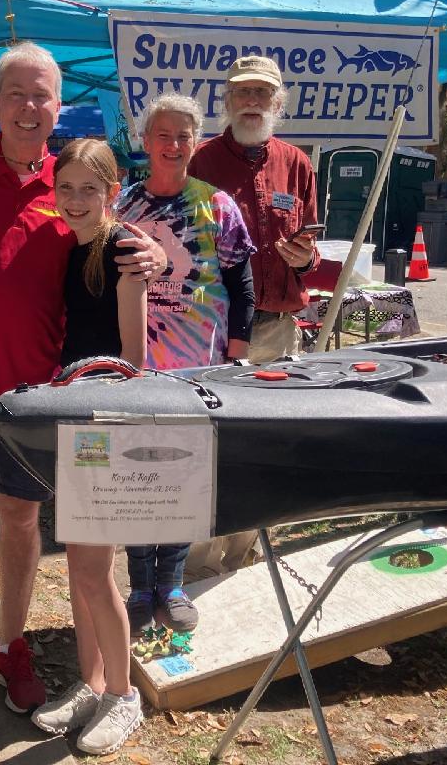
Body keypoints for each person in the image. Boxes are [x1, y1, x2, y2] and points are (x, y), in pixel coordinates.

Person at [0, 43, 165, 739]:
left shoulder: (71, 184)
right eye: (15, 93)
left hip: (40, 403)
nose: (28, 107)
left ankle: (9, 646)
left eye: (41, 94)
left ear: (59, 105)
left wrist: (156, 256)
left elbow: (123, 243)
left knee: (24, 525)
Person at [115, 93, 256, 628]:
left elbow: (243, 288)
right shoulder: (122, 208)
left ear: (195, 144)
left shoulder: (218, 206)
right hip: (135, 369)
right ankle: (136, 587)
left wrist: (235, 359)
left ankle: (171, 584)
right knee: (133, 479)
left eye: (184, 136)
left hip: (199, 371)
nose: (173, 145)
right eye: (163, 135)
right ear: (146, 142)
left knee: (181, 479)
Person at [30, 139, 147, 755]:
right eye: (66, 187)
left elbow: (135, 358)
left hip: (105, 422)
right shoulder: (71, 248)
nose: (76, 200)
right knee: (79, 569)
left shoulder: (124, 251)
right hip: (73, 418)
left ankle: (123, 695)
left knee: (96, 573)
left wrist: (105, 421)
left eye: (89, 189)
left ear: (112, 188)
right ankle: (92, 681)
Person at [185, 54, 320, 580]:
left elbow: (313, 241)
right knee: (210, 442)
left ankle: (243, 557)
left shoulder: (297, 163)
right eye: (242, 92)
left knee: (266, 444)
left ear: (277, 103)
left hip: (276, 330)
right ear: (227, 99)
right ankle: (196, 564)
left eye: (262, 94)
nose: (252, 102)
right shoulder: (200, 162)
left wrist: (305, 257)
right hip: (213, 333)